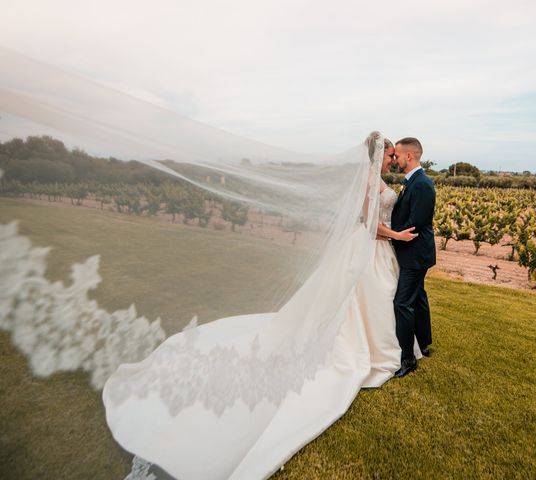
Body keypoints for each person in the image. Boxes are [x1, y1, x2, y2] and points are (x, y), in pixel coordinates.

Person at [102, 132, 421, 479]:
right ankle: (366, 350)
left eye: (394, 155)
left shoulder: (378, 180)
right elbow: (371, 224)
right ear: (379, 154)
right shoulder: (365, 182)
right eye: (390, 154)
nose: (393, 159)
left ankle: (383, 346)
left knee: (375, 301)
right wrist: (398, 236)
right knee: (353, 304)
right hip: (369, 246)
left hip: (377, 253)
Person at [389, 137, 436, 378]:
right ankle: (424, 343)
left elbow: (416, 223)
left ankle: (408, 358)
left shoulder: (422, 185)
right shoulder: (413, 182)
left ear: (409, 156)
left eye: (397, 155)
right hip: (413, 253)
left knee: (402, 303)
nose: (394, 159)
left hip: (416, 254)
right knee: (418, 298)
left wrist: (390, 235)